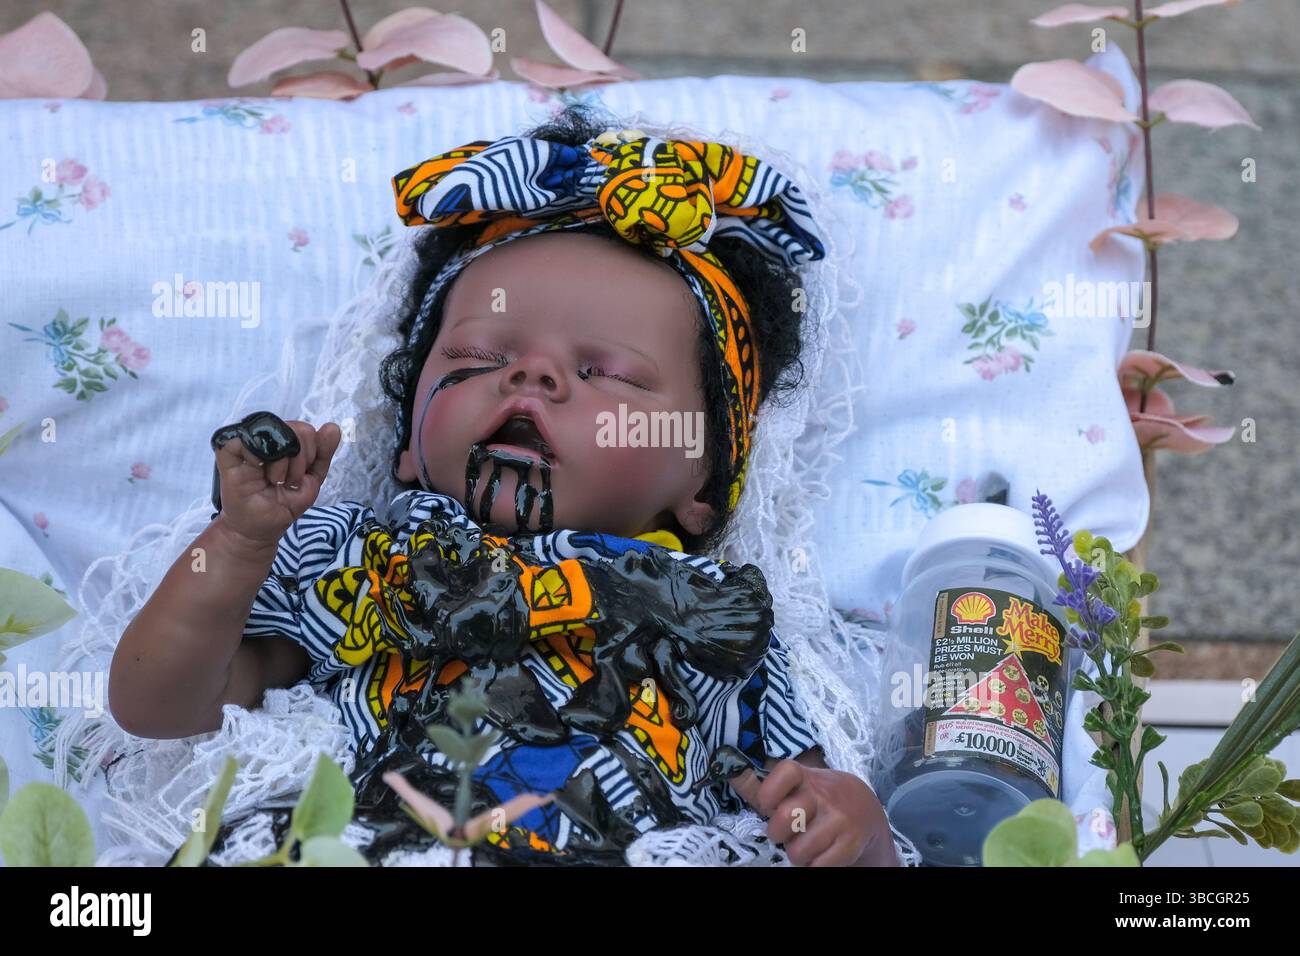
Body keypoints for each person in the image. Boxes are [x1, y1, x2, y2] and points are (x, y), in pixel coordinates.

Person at [109, 104, 898, 867]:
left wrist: (855, 829)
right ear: (410, 442)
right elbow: (161, 708)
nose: (531, 375)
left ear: (703, 480)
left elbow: (800, 804)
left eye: (606, 373)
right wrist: (241, 544)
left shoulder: (707, 615)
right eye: (477, 359)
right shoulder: (364, 561)